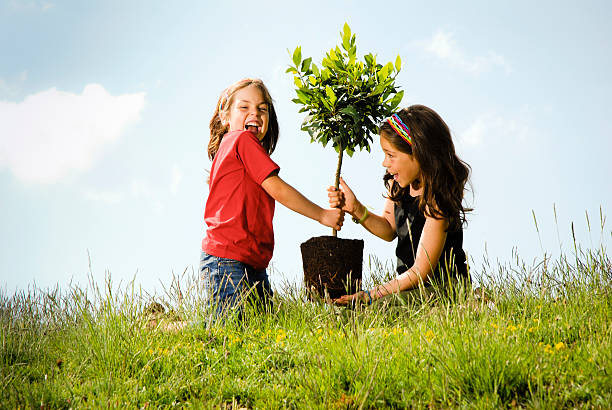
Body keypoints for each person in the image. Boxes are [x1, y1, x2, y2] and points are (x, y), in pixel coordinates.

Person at [202, 78, 344, 319]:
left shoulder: (229, 149)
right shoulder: (241, 140)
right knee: (231, 336)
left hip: (246, 260)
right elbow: (276, 188)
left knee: (256, 332)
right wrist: (322, 215)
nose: (254, 113)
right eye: (244, 107)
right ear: (225, 117)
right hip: (230, 260)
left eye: (262, 108)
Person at [328, 104, 471, 306]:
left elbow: (421, 270)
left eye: (391, 155)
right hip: (412, 287)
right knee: (351, 313)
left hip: (442, 289)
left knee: (374, 310)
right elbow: (389, 229)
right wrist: (355, 208)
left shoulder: (437, 201)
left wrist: (370, 294)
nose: (385, 163)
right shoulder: (398, 185)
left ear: (419, 154)